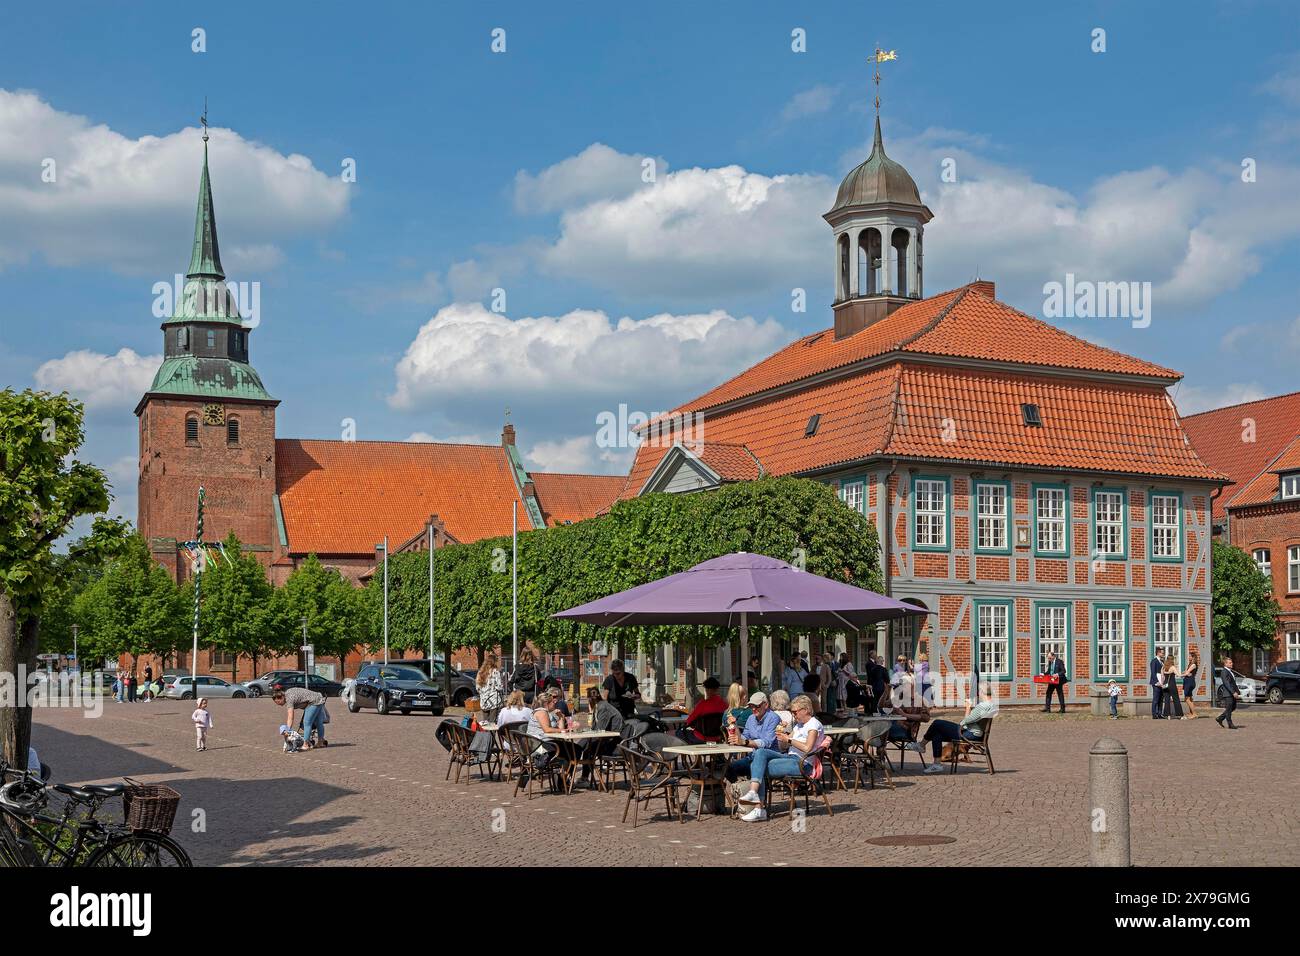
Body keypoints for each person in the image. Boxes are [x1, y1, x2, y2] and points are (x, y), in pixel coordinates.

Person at [732, 694, 824, 822]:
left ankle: (758, 807)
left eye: (795, 712)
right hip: (790, 758)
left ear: (806, 710)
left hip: (802, 764)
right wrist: (781, 735)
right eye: (792, 712)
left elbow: (808, 748)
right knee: (761, 753)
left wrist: (789, 740)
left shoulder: (813, 724)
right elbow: (785, 744)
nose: (793, 715)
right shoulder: (799, 725)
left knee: (757, 764)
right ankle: (755, 800)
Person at [922, 685, 998, 772]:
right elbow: (970, 720)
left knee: (937, 723)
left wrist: (967, 708)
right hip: (975, 733)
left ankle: (922, 745)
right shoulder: (992, 705)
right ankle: (936, 764)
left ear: (981, 692)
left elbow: (965, 722)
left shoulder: (982, 706)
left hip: (969, 734)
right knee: (936, 735)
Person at [679, 677, 728, 743]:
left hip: (701, 737)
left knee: (678, 733)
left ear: (706, 690)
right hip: (718, 737)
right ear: (717, 689)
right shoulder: (724, 705)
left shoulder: (702, 704)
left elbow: (689, 721)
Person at [476, 652, 504, 723]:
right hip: (493, 702)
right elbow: (499, 687)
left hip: (484, 701)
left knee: (485, 723)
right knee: (492, 724)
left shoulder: (480, 672)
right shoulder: (495, 672)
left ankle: (486, 734)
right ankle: (491, 734)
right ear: (494, 662)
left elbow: (477, 688)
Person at [1215, 657, 1240, 729]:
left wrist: (1237, 692)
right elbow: (1226, 683)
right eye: (1230, 663)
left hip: (1232, 692)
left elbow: (1233, 683)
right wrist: (1233, 692)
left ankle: (1220, 718)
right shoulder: (1224, 671)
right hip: (1228, 693)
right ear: (1225, 664)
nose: (1232, 664)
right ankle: (1230, 724)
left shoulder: (1230, 671)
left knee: (1233, 707)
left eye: (1231, 662)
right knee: (1229, 708)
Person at [1161, 655, 1184, 719]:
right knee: (1176, 699)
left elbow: (1162, 677)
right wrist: (1186, 674)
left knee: (1167, 700)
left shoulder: (1163, 667)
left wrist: (1162, 684)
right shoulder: (1173, 667)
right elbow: (1179, 675)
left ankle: (1168, 715)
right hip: (1172, 684)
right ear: (1172, 660)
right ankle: (1180, 715)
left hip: (1165, 685)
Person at [1181, 648, 1200, 719]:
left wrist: (1179, 675)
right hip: (1188, 681)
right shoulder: (1191, 664)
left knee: (1187, 699)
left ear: (1193, 657)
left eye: (1189, 656)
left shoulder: (1193, 665)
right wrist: (1184, 672)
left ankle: (1194, 713)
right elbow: (1186, 672)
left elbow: (1187, 672)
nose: (1188, 657)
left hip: (1190, 682)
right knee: (1190, 698)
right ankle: (1191, 713)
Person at [1149, 648, 1166, 719]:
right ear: (1158, 653)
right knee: (1156, 699)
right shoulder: (1154, 661)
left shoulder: (1162, 661)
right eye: (1162, 653)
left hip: (1161, 682)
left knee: (1161, 698)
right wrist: (1157, 682)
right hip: (1156, 683)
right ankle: (1154, 714)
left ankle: (1159, 713)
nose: (1163, 654)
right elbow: (1153, 672)